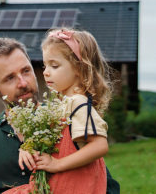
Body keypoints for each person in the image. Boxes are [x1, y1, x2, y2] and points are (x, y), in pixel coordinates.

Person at [0, 36, 120, 194]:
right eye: (10, 78)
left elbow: (103, 183)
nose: (23, 83)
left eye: (26, 71)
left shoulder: (65, 118)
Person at [6, 28, 113, 193]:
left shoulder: (78, 103)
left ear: (79, 68)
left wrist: (57, 164)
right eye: (45, 65)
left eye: (54, 66)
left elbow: (99, 146)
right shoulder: (61, 105)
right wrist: (27, 149)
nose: (46, 72)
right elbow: (51, 145)